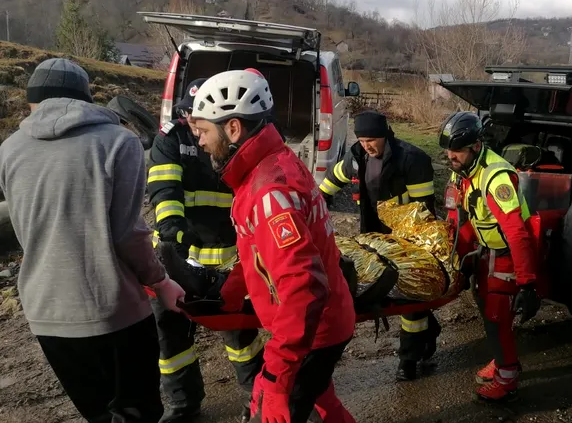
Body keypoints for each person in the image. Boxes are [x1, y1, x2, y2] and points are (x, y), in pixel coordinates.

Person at [0, 58, 186, 422]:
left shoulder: (8, 150)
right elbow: (129, 235)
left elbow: (28, 230)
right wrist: (160, 282)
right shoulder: (120, 142)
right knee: (139, 411)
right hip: (114, 311)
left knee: (98, 414)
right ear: (86, 99)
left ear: (32, 101)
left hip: (45, 313)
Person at [187, 68, 357, 423]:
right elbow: (259, 252)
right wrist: (230, 293)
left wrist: (277, 378)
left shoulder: (269, 190)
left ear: (233, 128)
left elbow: (304, 288)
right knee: (324, 401)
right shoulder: (268, 166)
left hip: (311, 332)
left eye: (203, 130)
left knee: (276, 409)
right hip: (310, 327)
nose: (199, 142)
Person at [146, 78, 264, 422]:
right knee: (171, 338)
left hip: (227, 255)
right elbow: (164, 189)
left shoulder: (232, 143)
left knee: (241, 334)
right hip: (177, 257)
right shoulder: (171, 139)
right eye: (189, 116)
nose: (193, 125)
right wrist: (171, 237)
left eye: (199, 118)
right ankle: (184, 404)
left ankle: (256, 396)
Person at [318, 110, 439, 382]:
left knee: (411, 298)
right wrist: (318, 199)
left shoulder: (412, 160)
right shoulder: (356, 156)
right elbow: (334, 178)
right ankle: (427, 335)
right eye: (362, 140)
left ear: (385, 136)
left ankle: (409, 359)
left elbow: (424, 212)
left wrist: (416, 246)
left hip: (406, 238)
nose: (367, 146)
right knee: (384, 294)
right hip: (373, 236)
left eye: (371, 140)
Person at [438, 111, 541, 402]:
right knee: (485, 307)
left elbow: (517, 233)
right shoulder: (463, 171)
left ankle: (507, 379)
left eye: (456, 150)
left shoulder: (496, 178)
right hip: (487, 251)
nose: (450, 156)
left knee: (496, 317)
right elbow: (462, 217)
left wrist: (527, 283)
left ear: (475, 146)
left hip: (507, 254)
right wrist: (457, 258)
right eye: (447, 149)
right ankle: (500, 356)